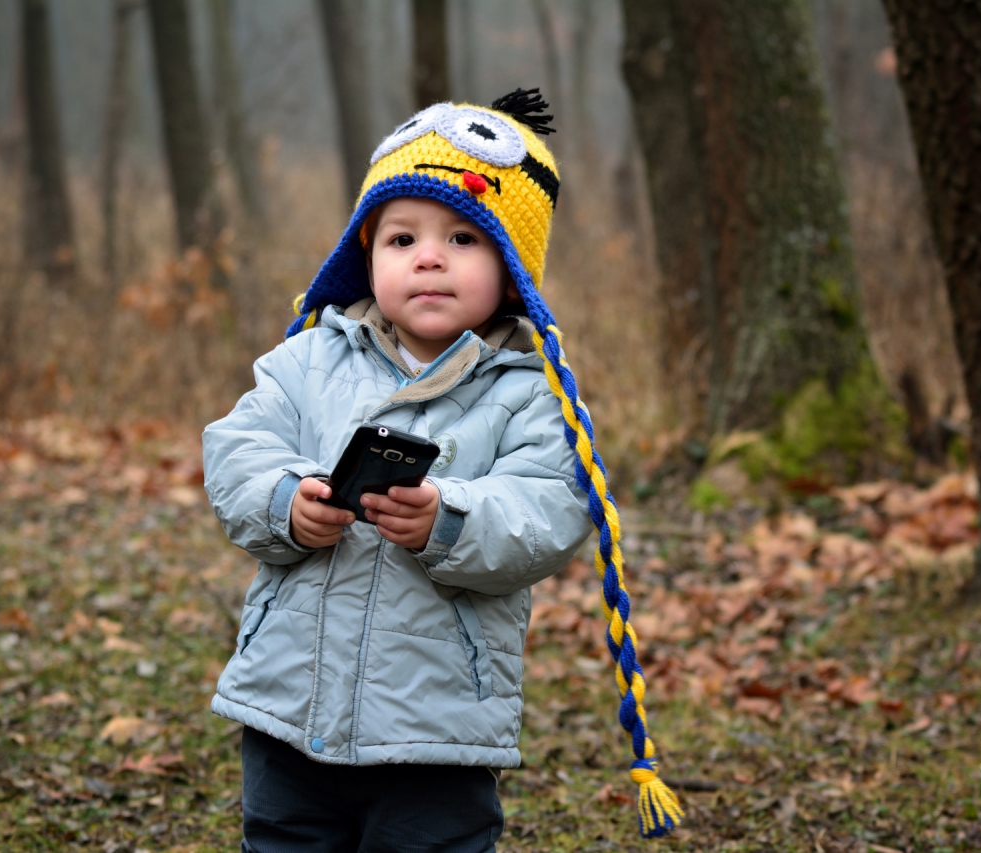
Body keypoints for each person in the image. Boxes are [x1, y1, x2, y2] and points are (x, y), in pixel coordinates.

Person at [203, 90, 681, 853]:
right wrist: (286, 501)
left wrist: (448, 517)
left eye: (462, 236)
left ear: (512, 267)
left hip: (437, 726)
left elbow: (550, 510)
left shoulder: (528, 395)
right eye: (401, 239)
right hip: (288, 704)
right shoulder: (308, 358)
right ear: (366, 254)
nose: (428, 257)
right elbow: (237, 450)